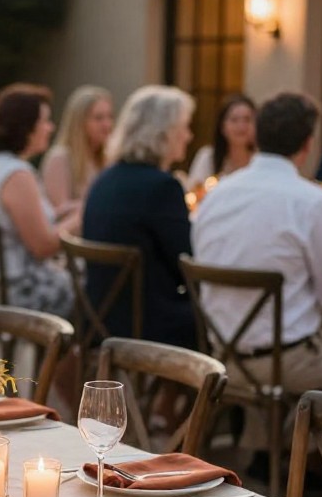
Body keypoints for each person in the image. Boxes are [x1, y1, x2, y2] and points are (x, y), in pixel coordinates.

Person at [193, 91, 322, 461]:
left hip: (221, 353)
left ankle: (269, 450)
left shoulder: (217, 194)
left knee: (282, 328)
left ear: (257, 137)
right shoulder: (309, 201)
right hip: (282, 361)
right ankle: (310, 462)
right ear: (308, 144)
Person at [82, 85, 196, 347]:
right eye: (184, 127)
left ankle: (164, 391)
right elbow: (187, 265)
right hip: (145, 325)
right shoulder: (162, 187)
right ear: (164, 132)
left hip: (99, 317)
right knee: (218, 318)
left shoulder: (105, 179)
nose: (188, 136)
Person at [0, 83, 72, 316]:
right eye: (45, 121)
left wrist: (66, 211)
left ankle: (66, 353)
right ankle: (81, 352)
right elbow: (44, 246)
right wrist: (82, 216)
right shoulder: (16, 174)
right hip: (17, 294)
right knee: (104, 292)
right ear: (25, 128)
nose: (50, 128)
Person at [40, 85, 113, 233]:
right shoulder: (60, 158)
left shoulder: (108, 159)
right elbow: (59, 212)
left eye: (110, 116)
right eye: (98, 118)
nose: (107, 124)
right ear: (79, 122)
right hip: (71, 247)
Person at [187, 93, 256, 189]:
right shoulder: (207, 157)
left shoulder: (260, 159)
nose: (241, 126)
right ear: (222, 126)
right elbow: (195, 191)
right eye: (234, 120)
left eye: (247, 120)